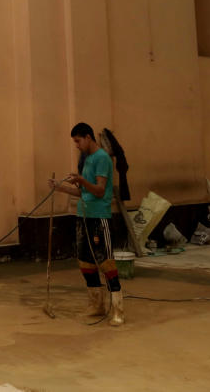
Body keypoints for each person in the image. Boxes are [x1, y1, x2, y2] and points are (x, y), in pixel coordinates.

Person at [48, 122, 124, 326]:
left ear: (88, 137)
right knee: (85, 262)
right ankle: (96, 305)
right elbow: (84, 192)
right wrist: (61, 188)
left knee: (105, 261)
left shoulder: (102, 159)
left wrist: (81, 180)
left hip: (99, 217)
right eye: (74, 142)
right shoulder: (87, 159)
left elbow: (99, 190)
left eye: (78, 141)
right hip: (83, 215)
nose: (77, 145)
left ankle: (117, 309)